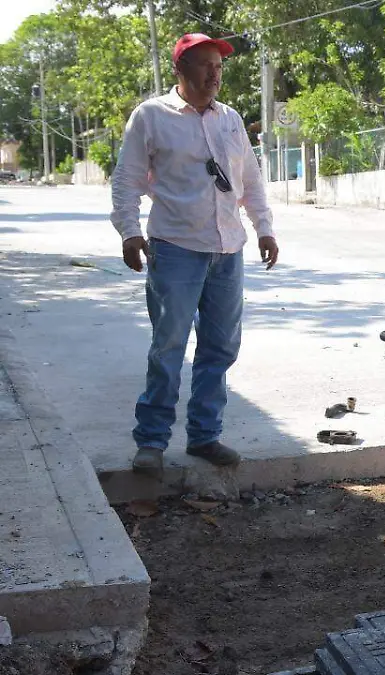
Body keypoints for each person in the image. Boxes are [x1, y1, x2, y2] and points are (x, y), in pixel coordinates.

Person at [110, 33, 278, 478]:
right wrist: (129, 231)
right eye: (204, 66)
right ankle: (151, 441)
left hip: (228, 250)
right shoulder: (151, 116)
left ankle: (204, 436)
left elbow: (252, 181)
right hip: (175, 250)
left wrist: (264, 228)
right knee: (168, 346)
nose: (214, 74)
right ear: (180, 71)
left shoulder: (231, 120)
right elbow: (127, 179)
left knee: (220, 348)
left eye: (219, 67)